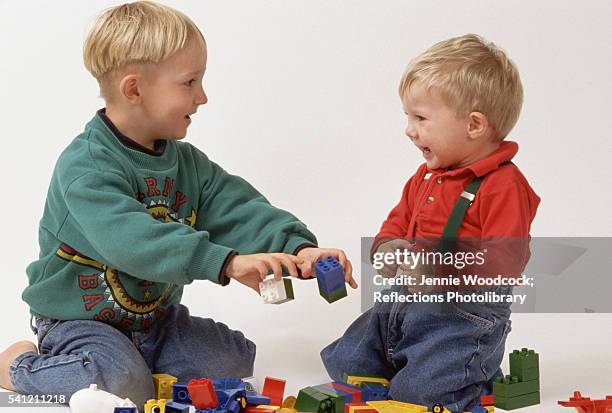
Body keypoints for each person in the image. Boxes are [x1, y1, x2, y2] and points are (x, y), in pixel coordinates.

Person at [0, 1, 356, 408]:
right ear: (134, 89)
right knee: (120, 382)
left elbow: (237, 208)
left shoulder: (186, 164)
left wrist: (298, 247)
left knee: (232, 359)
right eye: (189, 82)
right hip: (79, 321)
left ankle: (140, 364)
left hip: (154, 322)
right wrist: (225, 263)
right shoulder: (86, 168)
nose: (202, 97)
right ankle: (17, 365)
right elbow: (132, 240)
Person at [321, 34, 540, 412]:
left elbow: (506, 261)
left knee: (423, 394)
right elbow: (397, 222)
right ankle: (413, 366)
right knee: (346, 362)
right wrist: (387, 248)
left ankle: (464, 372)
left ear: (473, 125)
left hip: (463, 315)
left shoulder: (503, 185)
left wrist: (441, 266)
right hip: (405, 300)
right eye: (408, 116)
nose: (409, 129)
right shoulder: (425, 177)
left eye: (420, 118)